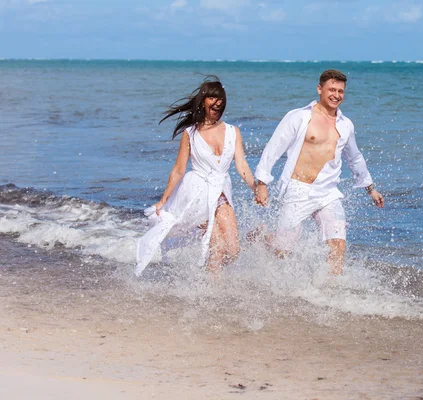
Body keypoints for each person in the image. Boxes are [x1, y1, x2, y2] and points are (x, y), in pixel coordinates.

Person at [254, 69, 384, 275]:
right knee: (282, 250)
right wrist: (262, 182)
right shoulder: (299, 117)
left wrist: (371, 188)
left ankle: (331, 293)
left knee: (338, 245)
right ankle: (263, 237)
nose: (336, 95)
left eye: (341, 91)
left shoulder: (345, 125)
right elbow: (274, 147)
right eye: (332, 89)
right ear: (319, 89)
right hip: (298, 190)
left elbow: (354, 157)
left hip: (328, 193)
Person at [135, 76, 256, 276]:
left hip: (222, 192)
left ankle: (206, 275)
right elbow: (179, 169)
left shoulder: (233, 132)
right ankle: (211, 290)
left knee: (233, 250)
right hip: (197, 194)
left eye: (221, 100)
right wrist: (163, 200)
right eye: (212, 99)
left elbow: (241, 164)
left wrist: (256, 187)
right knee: (216, 245)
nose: (218, 103)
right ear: (203, 101)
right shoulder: (190, 133)